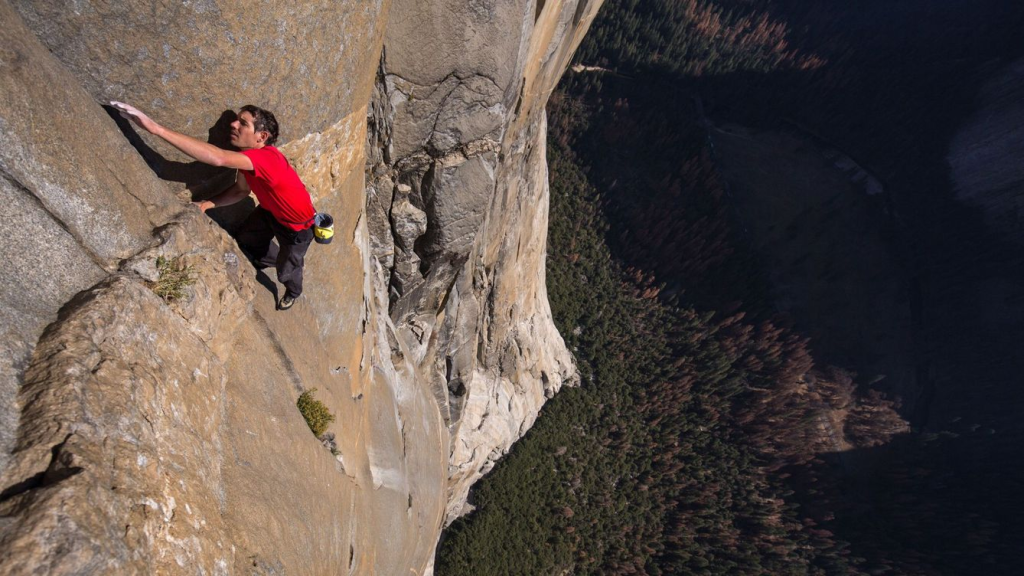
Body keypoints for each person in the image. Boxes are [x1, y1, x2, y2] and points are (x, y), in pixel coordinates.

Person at [111, 102, 315, 310]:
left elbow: (218, 158)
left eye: (243, 123)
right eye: (236, 120)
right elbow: (241, 190)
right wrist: (206, 204)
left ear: (261, 137)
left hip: (296, 226)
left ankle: (293, 290)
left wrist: (156, 129)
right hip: (269, 210)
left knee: (287, 270)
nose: (233, 124)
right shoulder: (248, 159)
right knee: (248, 239)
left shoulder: (267, 159)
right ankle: (274, 259)